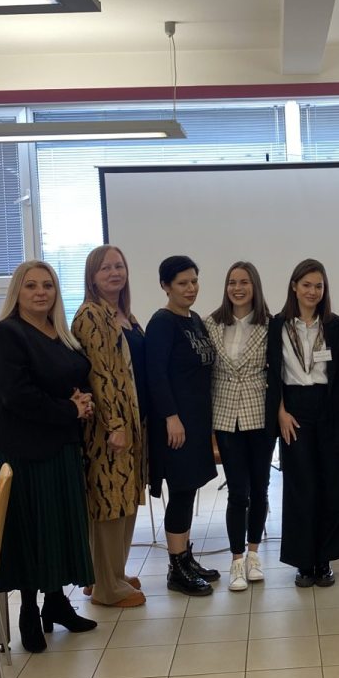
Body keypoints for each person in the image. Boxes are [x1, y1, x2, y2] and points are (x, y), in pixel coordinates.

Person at [0, 260, 97, 654]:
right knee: (29, 532)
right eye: (31, 285)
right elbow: (18, 396)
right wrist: (70, 408)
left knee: (58, 528)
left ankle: (56, 603)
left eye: (47, 285)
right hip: (23, 453)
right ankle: (29, 612)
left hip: (61, 445)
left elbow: (71, 378)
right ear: (17, 292)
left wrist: (81, 401)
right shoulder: (6, 334)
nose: (40, 292)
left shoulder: (60, 334)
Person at [267, 258, 339, 587]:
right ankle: (303, 561)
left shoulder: (336, 326)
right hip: (293, 411)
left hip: (330, 410)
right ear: (294, 286)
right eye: (306, 285)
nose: (312, 291)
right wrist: (280, 412)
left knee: (332, 485)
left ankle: (324, 559)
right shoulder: (277, 326)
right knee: (300, 486)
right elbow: (271, 373)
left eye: (318, 286)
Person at [72, 245, 146, 609]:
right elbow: (99, 375)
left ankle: (111, 573)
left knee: (125, 500)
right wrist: (115, 425)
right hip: (109, 429)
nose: (114, 273)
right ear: (92, 276)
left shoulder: (125, 315)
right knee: (109, 503)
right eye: (105, 268)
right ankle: (107, 588)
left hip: (133, 423)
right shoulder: (90, 315)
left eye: (119, 266)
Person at [145, 254, 219, 596]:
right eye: (182, 283)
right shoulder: (163, 323)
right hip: (176, 425)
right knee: (180, 491)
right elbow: (156, 375)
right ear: (165, 286)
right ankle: (176, 568)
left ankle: (186, 558)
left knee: (188, 490)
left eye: (194, 281)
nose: (190, 288)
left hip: (197, 421)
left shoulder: (194, 320)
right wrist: (170, 417)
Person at [205, 261, 275, 591]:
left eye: (244, 282)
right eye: (232, 282)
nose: (238, 288)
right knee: (237, 491)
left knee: (260, 488)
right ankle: (236, 559)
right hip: (224, 415)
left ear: (254, 286)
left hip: (259, 414)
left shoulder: (270, 325)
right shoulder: (211, 323)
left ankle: (253, 554)